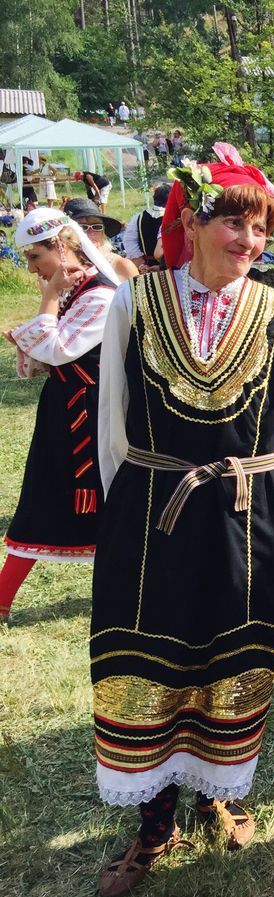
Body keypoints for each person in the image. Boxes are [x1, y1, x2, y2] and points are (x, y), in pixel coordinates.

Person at [91, 143, 274, 897]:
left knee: (230, 656)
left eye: (260, 229)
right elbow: (112, 424)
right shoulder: (134, 301)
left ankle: (220, 789)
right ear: (193, 220)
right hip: (153, 515)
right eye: (234, 223)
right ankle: (154, 821)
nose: (249, 242)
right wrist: (129, 515)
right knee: (151, 662)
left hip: (247, 517)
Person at [0, 209, 119, 622]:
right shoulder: (74, 289)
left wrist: (48, 299)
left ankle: (124, 592)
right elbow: (44, 352)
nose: (32, 268)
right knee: (42, 493)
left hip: (89, 414)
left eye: (35, 257)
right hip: (66, 407)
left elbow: (55, 349)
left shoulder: (99, 295)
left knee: (89, 498)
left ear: (60, 246)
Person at [64, 198, 139, 281]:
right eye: (82, 227)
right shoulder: (59, 267)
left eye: (96, 227)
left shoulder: (122, 265)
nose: (90, 232)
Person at [120, 183, 171, 272]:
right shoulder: (171, 218)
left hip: (146, 266)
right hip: (169, 267)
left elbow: (129, 241)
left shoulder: (139, 217)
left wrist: (141, 263)